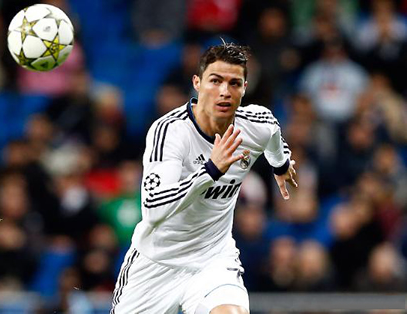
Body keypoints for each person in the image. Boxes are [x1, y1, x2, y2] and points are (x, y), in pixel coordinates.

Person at [111, 42, 298, 313]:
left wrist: (280, 165)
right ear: (197, 83)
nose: (224, 91)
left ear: (245, 88)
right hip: (157, 264)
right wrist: (211, 170)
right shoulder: (170, 131)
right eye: (215, 81)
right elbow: (153, 209)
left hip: (213, 261)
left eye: (234, 83)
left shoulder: (255, 125)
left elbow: (273, 134)